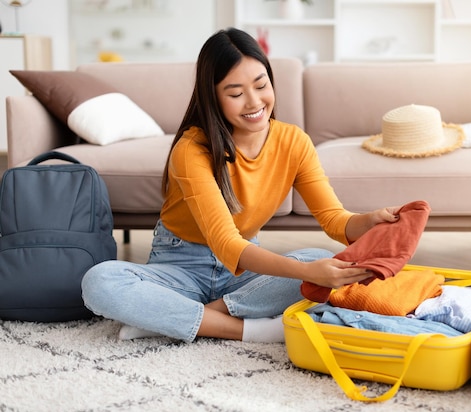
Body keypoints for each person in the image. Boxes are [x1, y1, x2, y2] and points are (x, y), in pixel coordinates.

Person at [81, 27, 401, 344]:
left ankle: (176, 318)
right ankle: (246, 330)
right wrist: (308, 276)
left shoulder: (293, 141)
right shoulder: (192, 148)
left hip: (244, 273)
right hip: (180, 267)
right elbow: (226, 243)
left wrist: (369, 222)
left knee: (317, 258)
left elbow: (334, 220)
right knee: (100, 282)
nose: (253, 102)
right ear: (214, 97)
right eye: (235, 94)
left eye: (261, 86)